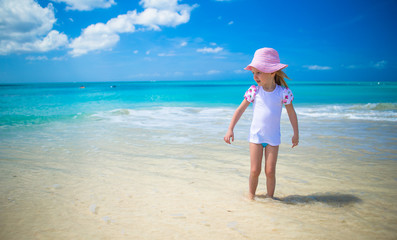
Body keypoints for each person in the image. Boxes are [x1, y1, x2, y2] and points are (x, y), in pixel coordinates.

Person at [224, 47, 299, 200]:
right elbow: (239, 110)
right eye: (253, 73)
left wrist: (296, 133)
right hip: (256, 137)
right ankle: (251, 198)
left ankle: (271, 199)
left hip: (273, 138)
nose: (255, 76)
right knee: (254, 170)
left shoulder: (283, 92)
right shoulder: (254, 91)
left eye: (258, 72)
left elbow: (292, 113)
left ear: (272, 72)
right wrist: (230, 129)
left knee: (270, 171)